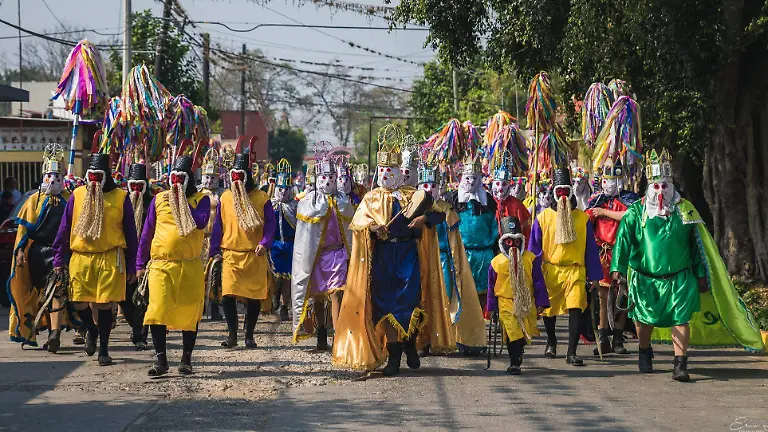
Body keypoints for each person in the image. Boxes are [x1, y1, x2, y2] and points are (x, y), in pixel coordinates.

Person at [611, 149, 764, 381]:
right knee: (643, 322)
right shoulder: (636, 213)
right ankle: (644, 351)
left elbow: (698, 247)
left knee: (680, 319)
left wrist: (702, 274)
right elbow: (623, 241)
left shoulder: (685, 210)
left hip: (679, 279)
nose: (661, 191)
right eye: (656, 186)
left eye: (665, 185)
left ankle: (680, 364)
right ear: (649, 187)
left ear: (671, 185)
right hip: (645, 280)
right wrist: (618, 269)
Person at [332, 125, 439, 376]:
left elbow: (437, 216)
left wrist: (423, 220)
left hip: (407, 255)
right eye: (382, 169)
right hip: (382, 257)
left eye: (390, 169)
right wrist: (372, 228)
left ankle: (410, 343)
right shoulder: (370, 198)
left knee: (409, 303)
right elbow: (357, 223)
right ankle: (393, 357)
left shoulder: (412, 196)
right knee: (386, 306)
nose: (385, 173)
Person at [52, 151, 138, 366]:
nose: (94, 181)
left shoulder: (121, 197)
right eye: (91, 176)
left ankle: (104, 350)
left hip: (110, 257)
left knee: (105, 304)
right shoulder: (77, 195)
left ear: (106, 175)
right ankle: (90, 328)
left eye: (98, 176)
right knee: (79, 301)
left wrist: (134, 265)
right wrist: (58, 259)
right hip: (81, 256)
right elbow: (64, 228)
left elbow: (131, 233)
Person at [137, 153, 210, 376]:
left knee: (189, 314)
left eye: (181, 178)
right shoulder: (159, 199)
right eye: (174, 178)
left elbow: (201, 221)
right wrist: (140, 263)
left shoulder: (201, 199)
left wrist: (181, 202)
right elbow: (147, 232)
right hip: (160, 265)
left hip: (189, 267)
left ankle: (186, 359)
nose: (176, 182)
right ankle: (161, 361)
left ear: (189, 178)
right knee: (157, 310)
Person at [528, 168, 602, 366]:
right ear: (554, 192)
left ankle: (571, 352)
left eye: (565, 192)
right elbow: (534, 248)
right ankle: (551, 341)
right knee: (548, 311)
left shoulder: (582, 218)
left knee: (576, 306)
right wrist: (531, 272)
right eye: (558, 192)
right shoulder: (543, 218)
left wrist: (595, 277)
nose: (562, 196)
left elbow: (590, 249)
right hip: (550, 270)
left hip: (575, 271)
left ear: (571, 193)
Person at [209, 142, 275, 349]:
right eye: (234, 176)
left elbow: (271, 225)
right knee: (227, 295)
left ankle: (249, 335)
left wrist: (265, 243)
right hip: (230, 255)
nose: (236, 180)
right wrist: (214, 250)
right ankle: (232, 334)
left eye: (240, 176)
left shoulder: (262, 198)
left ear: (247, 175)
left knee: (253, 298)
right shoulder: (226, 197)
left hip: (254, 255)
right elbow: (218, 225)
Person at [7, 144, 71, 351]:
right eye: (49, 175)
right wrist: (19, 252)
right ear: (43, 176)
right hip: (38, 254)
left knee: (58, 292)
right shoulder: (33, 200)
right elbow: (23, 231)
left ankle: (55, 334)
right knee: (39, 294)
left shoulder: (70, 199)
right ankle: (37, 329)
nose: (53, 179)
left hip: (61, 253)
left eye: (57, 175)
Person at [418, 163, 486, 356]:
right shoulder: (414, 209)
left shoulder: (446, 209)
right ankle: (423, 340)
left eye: (433, 185)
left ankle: (445, 337)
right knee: (422, 298)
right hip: (422, 259)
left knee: (445, 298)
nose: (429, 189)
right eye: (425, 185)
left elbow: (453, 239)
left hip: (444, 262)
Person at [291, 145, 354, 350]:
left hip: (337, 255)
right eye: (325, 177)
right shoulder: (310, 202)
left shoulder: (343, 201)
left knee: (336, 294)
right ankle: (321, 335)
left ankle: (338, 338)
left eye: (332, 178)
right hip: (317, 257)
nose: (329, 182)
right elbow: (304, 235)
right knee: (318, 298)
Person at [585, 158, 639, 355]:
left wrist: (604, 212)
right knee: (602, 295)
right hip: (601, 253)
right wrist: (592, 213)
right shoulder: (596, 199)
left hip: (622, 252)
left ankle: (618, 336)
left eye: (614, 179)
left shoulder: (630, 199)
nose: (610, 184)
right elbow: (587, 219)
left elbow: (631, 216)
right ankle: (602, 336)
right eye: (607, 179)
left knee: (622, 294)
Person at [486, 216, 550, 374]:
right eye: (509, 242)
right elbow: (491, 288)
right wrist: (492, 309)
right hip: (505, 302)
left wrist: (541, 301)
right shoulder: (496, 262)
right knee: (512, 332)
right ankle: (514, 362)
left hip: (526, 303)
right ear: (503, 242)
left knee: (522, 334)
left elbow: (538, 281)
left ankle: (518, 352)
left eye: (516, 242)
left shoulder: (530, 259)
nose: (513, 246)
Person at [446, 153, 498, 312]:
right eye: (468, 178)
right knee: (461, 292)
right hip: (461, 254)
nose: (471, 182)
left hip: (484, 256)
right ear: (462, 178)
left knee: (483, 294)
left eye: (474, 178)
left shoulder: (487, 200)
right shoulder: (454, 199)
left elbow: (493, 227)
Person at [120, 163, 152, 350]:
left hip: (147, 260)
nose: (137, 191)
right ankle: (136, 327)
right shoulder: (122, 203)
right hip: (124, 258)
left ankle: (141, 334)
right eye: (133, 186)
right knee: (124, 298)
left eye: (140, 186)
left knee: (144, 298)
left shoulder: (151, 203)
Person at [199, 148, 226, 321]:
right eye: (207, 177)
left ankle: (215, 307)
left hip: (217, 239)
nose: (209, 181)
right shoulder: (197, 193)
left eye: (213, 177)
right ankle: (200, 306)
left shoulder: (223, 195)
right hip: (200, 240)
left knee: (216, 274)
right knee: (200, 274)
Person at [270, 159, 297, 322]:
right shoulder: (270, 204)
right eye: (280, 189)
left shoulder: (295, 206)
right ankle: (274, 297)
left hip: (290, 245)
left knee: (287, 278)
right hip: (274, 245)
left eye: (286, 189)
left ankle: (284, 306)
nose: (283, 192)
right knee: (276, 277)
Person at [491, 151, 531, 241]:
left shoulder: (517, 205)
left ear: (509, 185)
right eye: (497, 184)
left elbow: (526, 231)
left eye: (504, 184)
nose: (500, 188)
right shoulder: (487, 203)